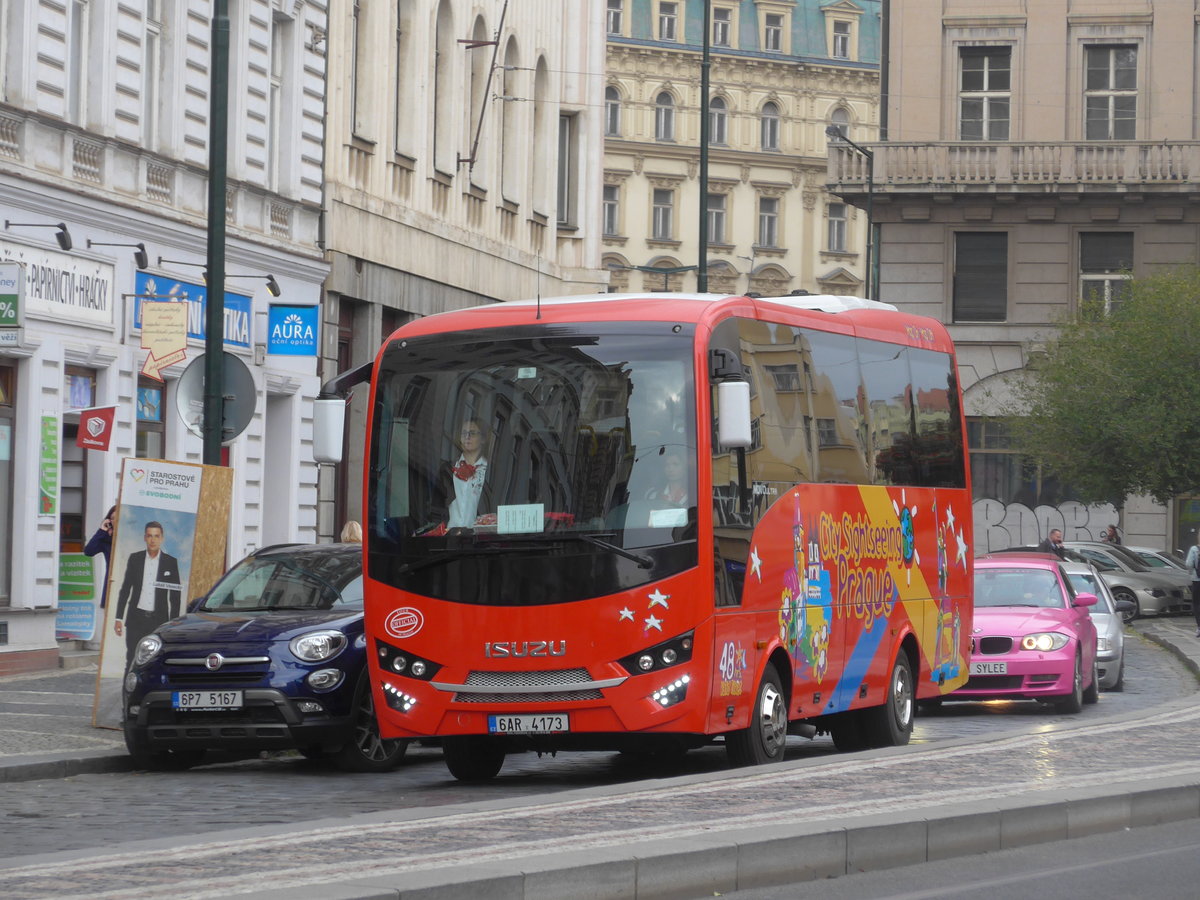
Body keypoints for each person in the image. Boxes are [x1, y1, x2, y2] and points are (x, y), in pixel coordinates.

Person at [114, 521, 182, 663]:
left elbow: (175, 597)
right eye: (150, 536)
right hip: (136, 619)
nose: (153, 540)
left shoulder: (170, 562)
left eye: (156, 536)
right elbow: (126, 589)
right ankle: (128, 686)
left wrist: (172, 623)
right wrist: (118, 618)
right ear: (145, 537)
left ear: (161, 538)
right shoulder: (135, 559)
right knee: (132, 659)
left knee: (156, 660)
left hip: (159, 621)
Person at [438, 417, 492, 529]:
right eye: (464, 433)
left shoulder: (489, 472)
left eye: (472, 433)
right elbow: (436, 506)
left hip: (477, 540)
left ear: (483, 439)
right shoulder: (447, 469)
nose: (467, 437)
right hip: (447, 539)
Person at [83, 505, 117, 609]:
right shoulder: (106, 539)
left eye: (118, 517)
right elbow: (89, 551)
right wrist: (101, 531)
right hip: (112, 586)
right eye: (112, 518)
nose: (115, 520)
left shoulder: (134, 538)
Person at [1186, 533, 1200, 638]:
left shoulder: (1194, 549)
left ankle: (1199, 627)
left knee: (1196, 604)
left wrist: (1191, 573)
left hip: (1197, 580)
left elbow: (1189, 564)